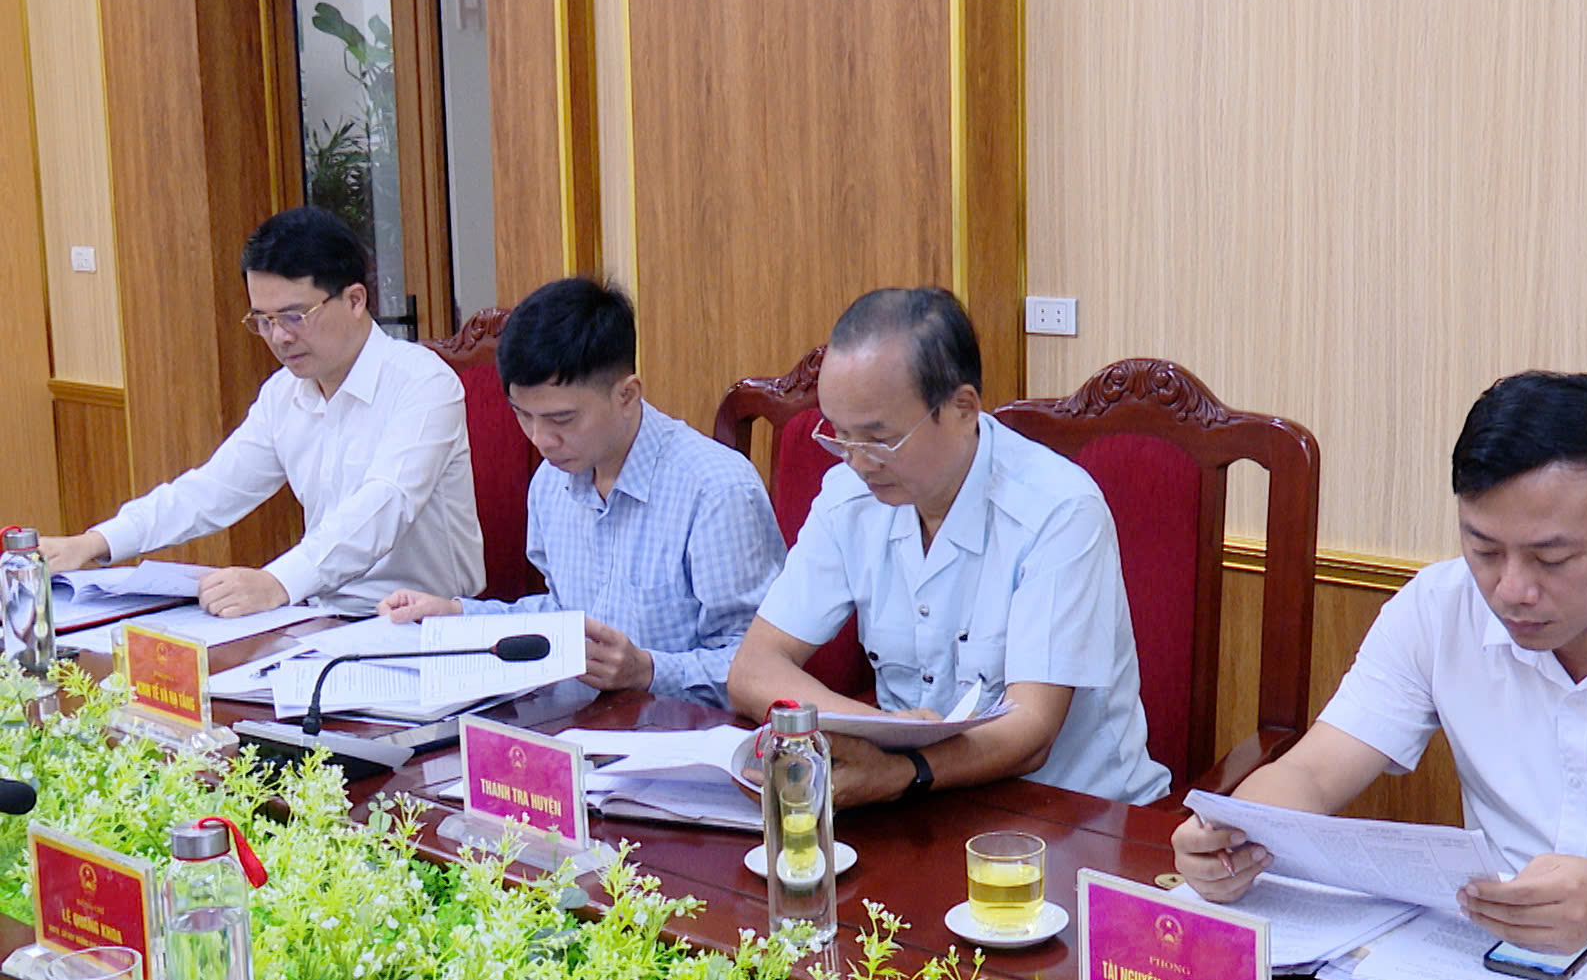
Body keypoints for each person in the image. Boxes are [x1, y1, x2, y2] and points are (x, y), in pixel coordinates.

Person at [1173, 370, 1587, 955]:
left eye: (1551, 558)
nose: (1512, 589)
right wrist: (1232, 836)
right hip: (1491, 963)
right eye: (1484, 549)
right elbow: (1313, 773)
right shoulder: (1438, 608)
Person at [727, 287, 1171, 807]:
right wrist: (876, 734)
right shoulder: (848, 498)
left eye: (879, 439)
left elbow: (1032, 730)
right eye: (840, 436)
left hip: (1072, 812)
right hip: (919, 802)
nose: (858, 462)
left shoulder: (1059, 510)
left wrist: (905, 768)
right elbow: (753, 668)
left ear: (962, 408)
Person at [39, 207, 484, 617]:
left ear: (354, 300)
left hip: (422, 621)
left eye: (295, 316)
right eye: (263, 321)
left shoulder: (423, 383)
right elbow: (213, 489)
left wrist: (277, 582)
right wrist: (95, 542)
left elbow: (384, 506)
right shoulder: (284, 393)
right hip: (320, 614)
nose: (279, 337)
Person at [377, 276, 785, 708]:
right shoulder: (550, 482)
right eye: (523, 415)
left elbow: (762, 666)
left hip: (683, 733)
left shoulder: (715, 491)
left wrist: (648, 670)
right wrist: (456, 615)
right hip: (580, 726)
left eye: (562, 419)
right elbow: (562, 615)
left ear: (627, 395)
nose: (540, 439)